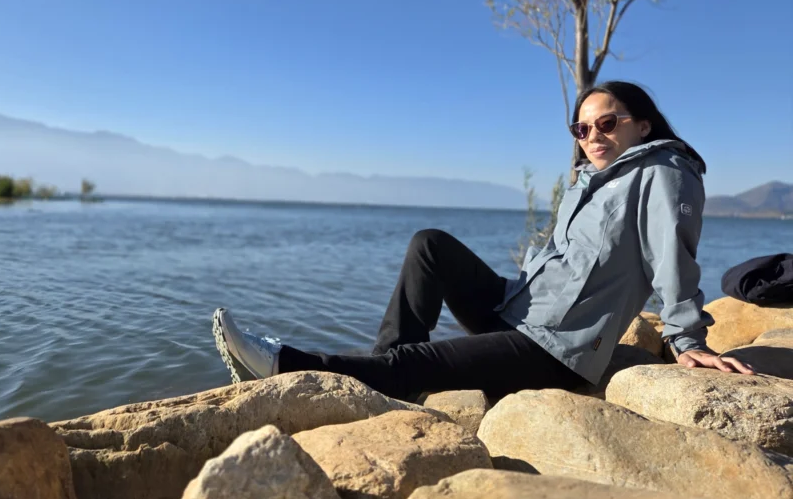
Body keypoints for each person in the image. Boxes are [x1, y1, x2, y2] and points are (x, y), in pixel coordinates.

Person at [212, 81, 754, 403]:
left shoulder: (666, 173)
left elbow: (673, 257)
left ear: (642, 125)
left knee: (421, 361)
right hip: (518, 314)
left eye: (606, 123)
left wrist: (688, 341)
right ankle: (385, 372)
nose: (592, 137)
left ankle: (290, 365)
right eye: (581, 129)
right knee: (430, 244)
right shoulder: (592, 179)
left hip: (556, 349)